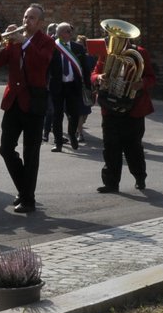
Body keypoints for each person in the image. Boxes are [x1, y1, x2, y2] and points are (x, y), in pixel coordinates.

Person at [0, 4, 55, 214]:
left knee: (31, 152)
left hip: (34, 101)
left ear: (41, 22)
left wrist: (24, 42)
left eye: (32, 18)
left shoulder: (46, 42)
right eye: (26, 17)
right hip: (13, 101)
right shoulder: (15, 40)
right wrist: (2, 44)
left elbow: (41, 62)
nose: (27, 21)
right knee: (5, 149)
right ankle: (24, 189)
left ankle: (28, 199)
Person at [95, 34, 157, 194]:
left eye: (122, 38)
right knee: (110, 147)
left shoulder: (140, 53)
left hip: (133, 108)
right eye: (115, 37)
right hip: (110, 107)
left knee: (133, 147)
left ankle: (140, 177)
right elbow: (94, 73)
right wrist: (99, 77)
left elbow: (151, 77)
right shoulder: (107, 53)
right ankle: (111, 183)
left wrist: (141, 83)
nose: (118, 41)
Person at [48, 22, 89, 152]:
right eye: (67, 31)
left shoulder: (78, 48)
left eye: (70, 31)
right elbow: (46, 67)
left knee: (74, 114)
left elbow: (86, 69)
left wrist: (88, 85)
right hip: (57, 86)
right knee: (57, 115)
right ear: (59, 34)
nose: (70, 33)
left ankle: (72, 135)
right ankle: (58, 142)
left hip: (73, 86)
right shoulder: (52, 47)